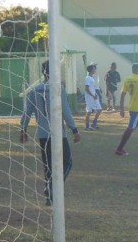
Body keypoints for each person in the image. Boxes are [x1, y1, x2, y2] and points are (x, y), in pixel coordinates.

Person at [20, 61, 81, 205]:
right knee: (67, 162)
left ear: (43, 73)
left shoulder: (35, 90)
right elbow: (66, 112)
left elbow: (27, 112)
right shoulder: (59, 89)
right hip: (58, 134)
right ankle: (53, 187)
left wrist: (23, 129)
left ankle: (49, 196)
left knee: (48, 165)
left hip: (43, 134)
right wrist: (75, 130)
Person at [83, 63, 103, 130]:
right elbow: (87, 88)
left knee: (99, 109)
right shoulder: (88, 78)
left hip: (94, 96)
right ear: (91, 70)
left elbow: (92, 87)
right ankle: (87, 126)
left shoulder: (92, 78)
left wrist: (95, 94)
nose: (95, 70)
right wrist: (92, 95)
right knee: (89, 111)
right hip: (89, 97)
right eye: (94, 68)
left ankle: (94, 123)